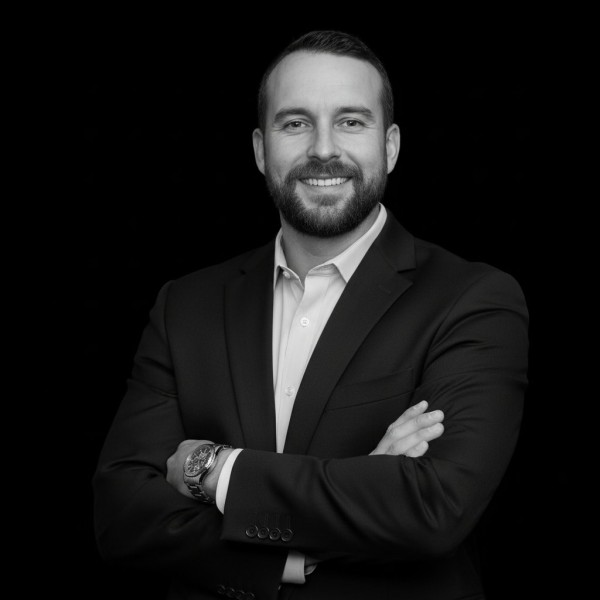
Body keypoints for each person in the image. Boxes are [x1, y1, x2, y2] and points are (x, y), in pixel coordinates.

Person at [93, 30, 529, 600]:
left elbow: (433, 507)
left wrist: (215, 469)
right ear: (260, 149)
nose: (324, 149)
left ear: (391, 146)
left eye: (351, 121)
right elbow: (122, 512)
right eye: (295, 123)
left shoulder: (472, 299)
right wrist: (341, 513)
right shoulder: (186, 305)